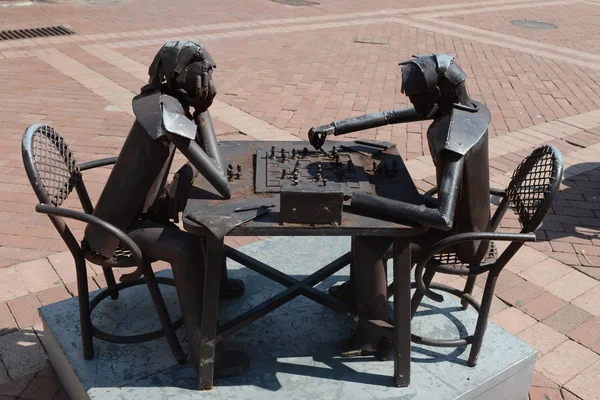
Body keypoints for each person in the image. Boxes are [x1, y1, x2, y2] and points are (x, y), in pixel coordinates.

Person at [308, 54, 492, 356]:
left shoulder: (454, 135)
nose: (417, 106)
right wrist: (334, 127)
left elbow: (443, 218)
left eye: (421, 98)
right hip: (468, 218)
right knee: (371, 219)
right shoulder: (466, 109)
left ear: (438, 93)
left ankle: (374, 335)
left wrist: (366, 201)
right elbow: (392, 116)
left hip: (462, 237)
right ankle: (359, 293)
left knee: (370, 242)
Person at [84, 40, 247, 375]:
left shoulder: (165, 102)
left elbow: (210, 169)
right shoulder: (165, 113)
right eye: (205, 75)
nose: (209, 82)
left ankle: (214, 285)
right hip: (118, 232)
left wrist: (200, 113)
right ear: (185, 76)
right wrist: (202, 114)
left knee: (197, 202)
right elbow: (221, 181)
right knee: (186, 247)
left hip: (139, 211)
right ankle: (206, 352)